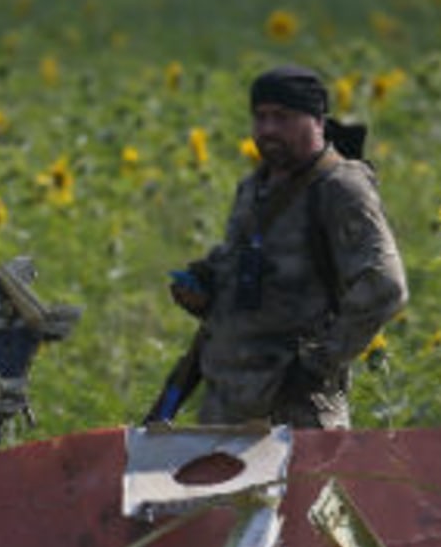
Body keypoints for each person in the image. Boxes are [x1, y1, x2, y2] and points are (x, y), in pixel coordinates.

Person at [167, 64, 408, 429]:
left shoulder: (340, 189)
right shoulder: (253, 188)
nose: (267, 130)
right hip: (227, 408)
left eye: (282, 117)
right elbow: (259, 274)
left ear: (317, 121)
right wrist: (209, 286)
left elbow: (384, 287)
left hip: (298, 416)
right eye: (260, 118)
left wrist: (315, 365)